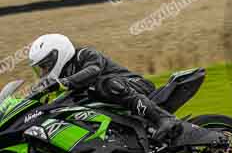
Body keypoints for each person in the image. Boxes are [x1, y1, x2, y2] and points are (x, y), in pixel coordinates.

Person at [28, 34, 182, 141]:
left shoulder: (85, 54)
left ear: (58, 53)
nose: (44, 71)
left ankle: (164, 118)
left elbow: (93, 70)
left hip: (136, 85)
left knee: (105, 85)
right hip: (112, 103)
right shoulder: (61, 77)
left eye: (45, 65)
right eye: (40, 68)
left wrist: (64, 83)